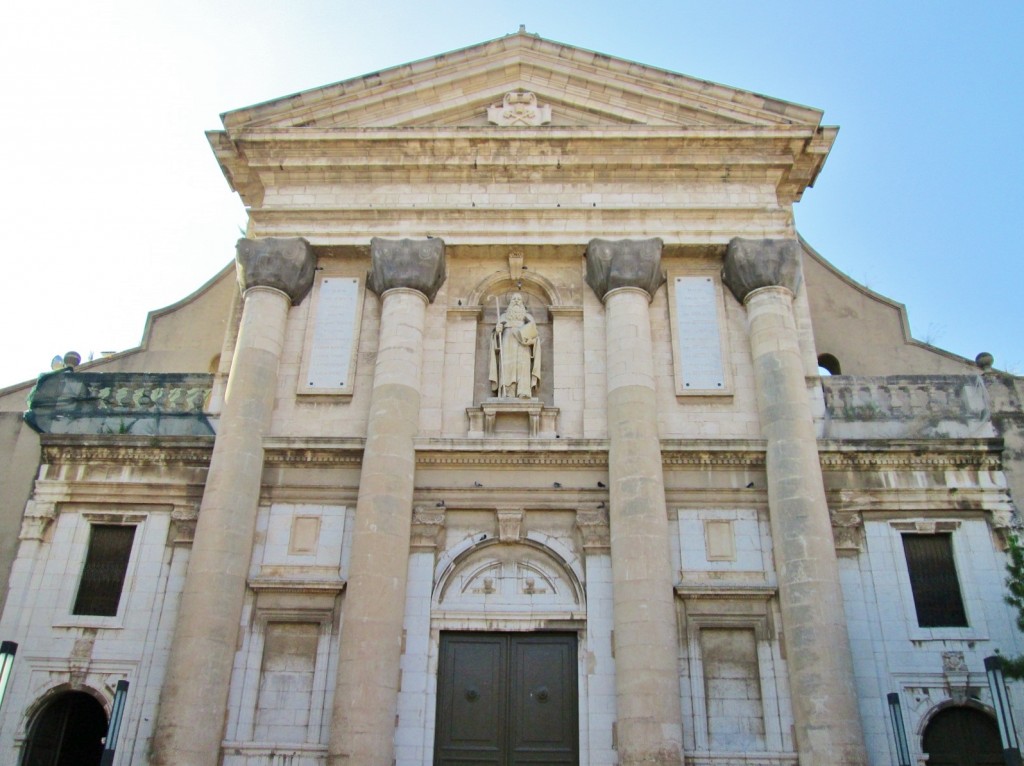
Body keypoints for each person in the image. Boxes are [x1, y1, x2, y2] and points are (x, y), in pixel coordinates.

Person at [489, 293, 541, 399]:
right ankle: (508, 392)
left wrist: (531, 340)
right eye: (514, 299)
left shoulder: (528, 317)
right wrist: (497, 331)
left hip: (523, 346)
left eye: (519, 299)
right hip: (507, 344)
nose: (516, 301)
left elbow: (534, 335)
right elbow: (495, 338)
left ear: (522, 302)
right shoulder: (503, 317)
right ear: (510, 302)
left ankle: (523, 391)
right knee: (508, 367)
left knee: (523, 367)